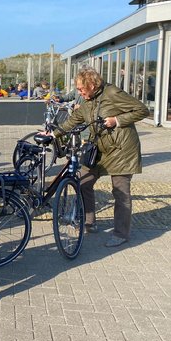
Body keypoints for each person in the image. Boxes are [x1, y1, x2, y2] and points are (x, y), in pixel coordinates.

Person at [56, 65, 149, 247]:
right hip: (99, 149)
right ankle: (89, 222)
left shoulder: (112, 93)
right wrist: (53, 134)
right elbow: (74, 120)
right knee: (83, 181)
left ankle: (121, 233)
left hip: (122, 149)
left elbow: (142, 110)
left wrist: (117, 120)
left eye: (81, 88)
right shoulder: (88, 100)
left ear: (91, 84)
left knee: (120, 191)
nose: (79, 92)